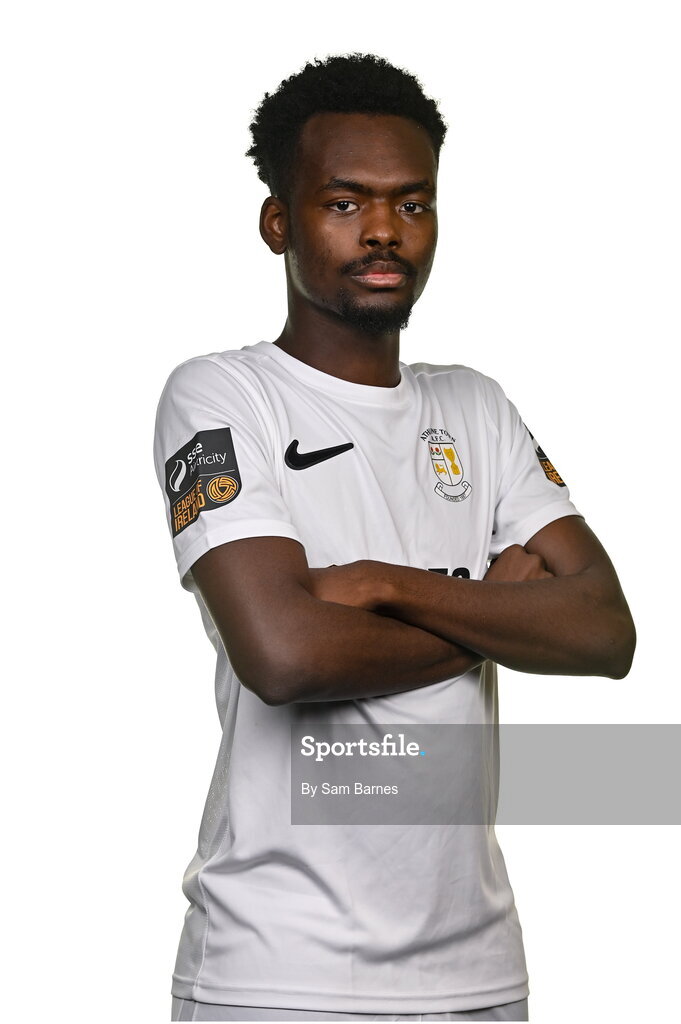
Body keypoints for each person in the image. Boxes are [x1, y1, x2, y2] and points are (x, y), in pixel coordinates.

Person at [153, 54, 635, 1023]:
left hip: (479, 973)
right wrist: (498, 608)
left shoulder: (479, 408)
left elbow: (603, 632)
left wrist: (379, 582)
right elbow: (285, 655)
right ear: (278, 222)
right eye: (344, 203)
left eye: (413, 205)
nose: (384, 231)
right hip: (281, 971)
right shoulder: (221, 397)